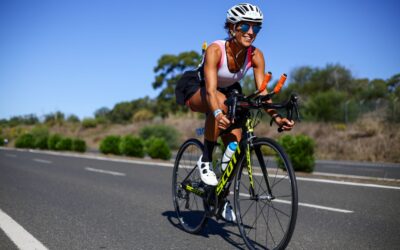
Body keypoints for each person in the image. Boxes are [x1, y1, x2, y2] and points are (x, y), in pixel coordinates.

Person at [177, 3, 295, 221]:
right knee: (221, 103)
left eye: (256, 28)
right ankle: (205, 159)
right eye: (245, 26)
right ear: (232, 27)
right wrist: (216, 115)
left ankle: (220, 198)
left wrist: (277, 117)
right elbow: (211, 91)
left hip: (229, 92)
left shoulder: (256, 55)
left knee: (237, 144)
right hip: (199, 88)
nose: (251, 32)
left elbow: (262, 93)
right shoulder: (215, 49)